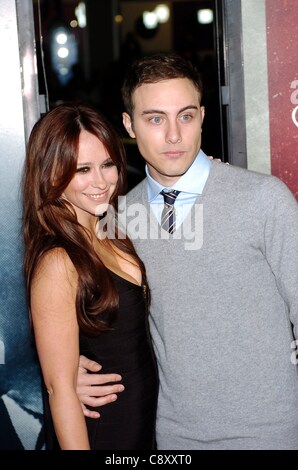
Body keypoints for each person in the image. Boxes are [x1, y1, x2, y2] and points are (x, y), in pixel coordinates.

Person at [77, 53, 298, 450]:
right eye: (155, 118)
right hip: (172, 436)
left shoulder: (263, 199)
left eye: (186, 116)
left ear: (202, 116)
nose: (174, 135)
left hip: (272, 432)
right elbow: (108, 323)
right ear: (128, 124)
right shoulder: (116, 220)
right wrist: (70, 367)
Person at [22, 103, 158, 450]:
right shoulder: (57, 261)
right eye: (83, 169)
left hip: (144, 423)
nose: (101, 182)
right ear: (52, 174)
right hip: (105, 431)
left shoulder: (110, 228)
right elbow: (60, 390)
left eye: (107, 164)